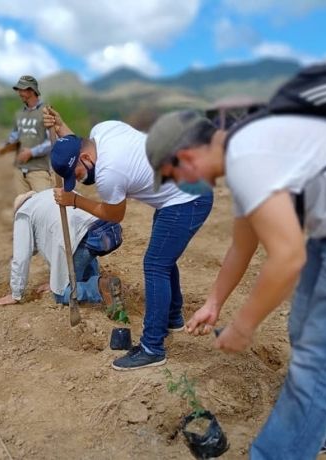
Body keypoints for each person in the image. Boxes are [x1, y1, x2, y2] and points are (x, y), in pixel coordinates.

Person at [145, 109, 326, 459]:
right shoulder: (244, 153)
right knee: (305, 328)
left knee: (318, 349)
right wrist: (213, 303)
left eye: (173, 175)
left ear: (186, 156)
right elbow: (243, 245)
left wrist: (244, 325)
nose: (179, 186)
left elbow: (287, 258)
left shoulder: (247, 157)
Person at [43, 108, 214, 371]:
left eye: (76, 174)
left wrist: (75, 200)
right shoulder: (103, 130)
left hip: (187, 199)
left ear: (87, 158)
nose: (78, 180)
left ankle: (152, 348)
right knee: (163, 258)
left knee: (155, 265)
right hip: (183, 188)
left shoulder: (108, 174)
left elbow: (114, 214)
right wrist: (62, 127)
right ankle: (173, 317)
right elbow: (78, 145)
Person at [0, 188, 123, 308]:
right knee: (83, 250)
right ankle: (101, 285)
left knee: (62, 293)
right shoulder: (54, 194)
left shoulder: (23, 213)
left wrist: (16, 294)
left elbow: (21, 257)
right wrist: (55, 281)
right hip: (108, 230)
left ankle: (99, 287)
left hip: (84, 239)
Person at [0, 75, 53, 196]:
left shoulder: (47, 111)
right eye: (19, 90)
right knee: (23, 208)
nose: (19, 93)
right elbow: (15, 135)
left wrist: (31, 152)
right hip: (19, 170)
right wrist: (5, 145)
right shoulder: (19, 113)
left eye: (22, 89)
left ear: (32, 90)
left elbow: (52, 141)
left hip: (39, 170)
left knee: (43, 206)